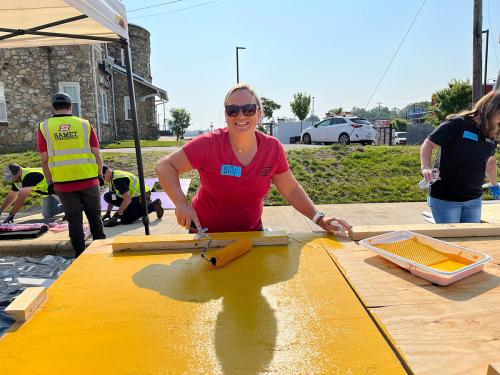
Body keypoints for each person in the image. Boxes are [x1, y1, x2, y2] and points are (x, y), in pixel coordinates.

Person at [157, 83, 351, 235]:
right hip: (205, 234)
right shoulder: (209, 144)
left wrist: (319, 219)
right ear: (226, 115)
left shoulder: (272, 148)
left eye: (249, 109)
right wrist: (181, 204)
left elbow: (291, 189)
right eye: (232, 110)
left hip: (250, 236)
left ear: (259, 114)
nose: (240, 115)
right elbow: (166, 166)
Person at [38, 92, 106, 256]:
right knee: (95, 218)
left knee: (74, 220)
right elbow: (97, 154)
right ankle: (102, 256)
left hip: (63, 183)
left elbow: (44, 159)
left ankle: (80, 256)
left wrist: (49, 182)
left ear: (53, 107)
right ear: (70, 106)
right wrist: (100, 175)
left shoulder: (44, 127)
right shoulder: (85, 125)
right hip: (89, 180)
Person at [420, 90, 500, 224]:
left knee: (469, 241)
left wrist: (494, 185)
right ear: (491, 108)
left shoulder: (492, 133)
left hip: (474, 199)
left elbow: (490, 161)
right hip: (446, 198)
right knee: (450, 241)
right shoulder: (458, 124)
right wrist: (426, 167)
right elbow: (428, 144)